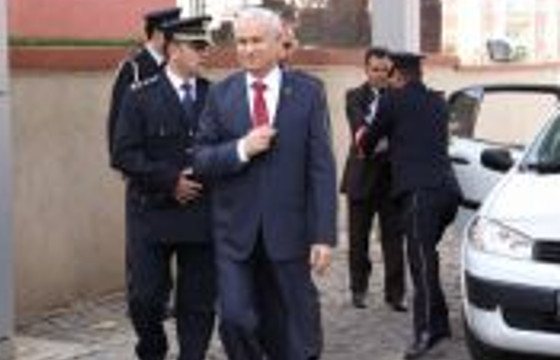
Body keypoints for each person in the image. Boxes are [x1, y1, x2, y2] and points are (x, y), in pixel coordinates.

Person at [193, 7, 337, 360]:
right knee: (235, 318)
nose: (248, 49)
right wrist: (242, 148)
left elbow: (321, 168)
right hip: (234, 234)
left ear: (277, 43)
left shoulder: (307, 92)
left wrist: (323, 234)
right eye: (242, 41)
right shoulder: (221, 95)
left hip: (288, 230)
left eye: (256, 40)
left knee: (292, 325)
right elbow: (201, 159)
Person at [110, 16, 216, 360]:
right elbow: (123, 154)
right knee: (145, 298)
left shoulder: (214, 96)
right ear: (173, 49)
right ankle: (152, 348)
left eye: (206, 46)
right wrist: (170, 181)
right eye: (198, 47)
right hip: (151, 212)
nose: (206, 53)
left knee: (198, 301)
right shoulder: (140, 96)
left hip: (200, 213)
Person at [355, 52, 461, 359]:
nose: (388, 80)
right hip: (448, 192)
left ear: (398, 76)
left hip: (419, 194)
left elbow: (368, 142)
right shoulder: (439, 102)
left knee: (421, 261)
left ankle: (426, 332)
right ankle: (439, 322)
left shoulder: (391, 100)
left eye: (390, 75)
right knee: (428, 255)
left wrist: (364, 137)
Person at [339, 47, 406, 311]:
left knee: (393, 240)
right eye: (375, 70)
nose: (380, 75)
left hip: (392, 179)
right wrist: (380, 139)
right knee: (358, 239)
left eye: (385, 70)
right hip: (361, 178)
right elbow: (360, 130)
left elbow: (400, 134)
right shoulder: (354, 96)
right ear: (366, 70)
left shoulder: (400, 97)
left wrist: (381, 139)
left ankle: (396, 295)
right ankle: (359, 290)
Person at [106, 7, 182, 156]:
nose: (177, 40)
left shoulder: (175, 65)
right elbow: (118, 117)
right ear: (157, 33)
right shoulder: (133, 68)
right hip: (143, 162)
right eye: (174, 34)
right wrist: (121, 157)